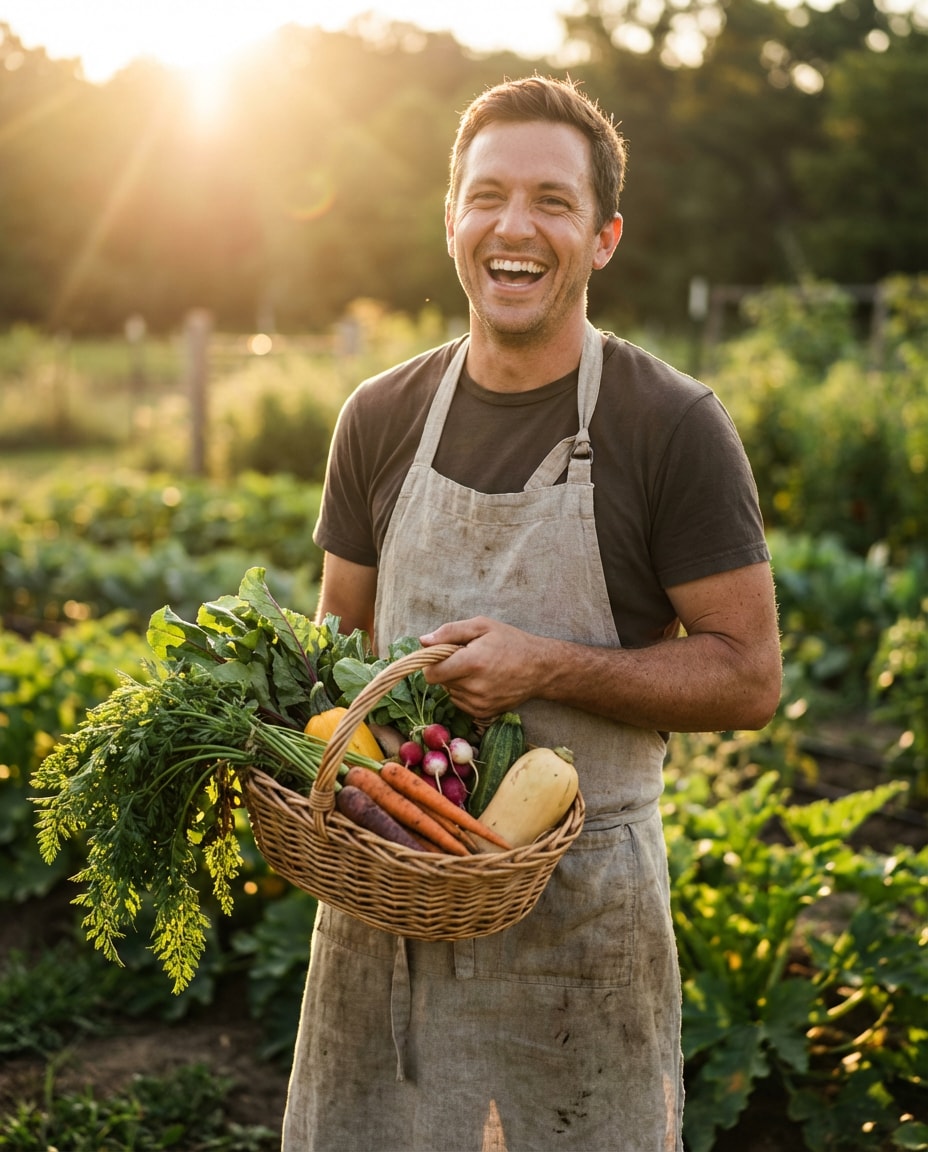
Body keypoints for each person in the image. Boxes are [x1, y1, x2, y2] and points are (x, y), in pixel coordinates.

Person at [281, 75, 782, 1152]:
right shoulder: (377, 417)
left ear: (602, 237)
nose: (515, 227)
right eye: (488, 196)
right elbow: (336, 641)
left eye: (552, 202)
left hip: (582, 926)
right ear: (451, 222)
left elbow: (748, 676)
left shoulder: (672, 425)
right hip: (389, 910)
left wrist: (546, 669)